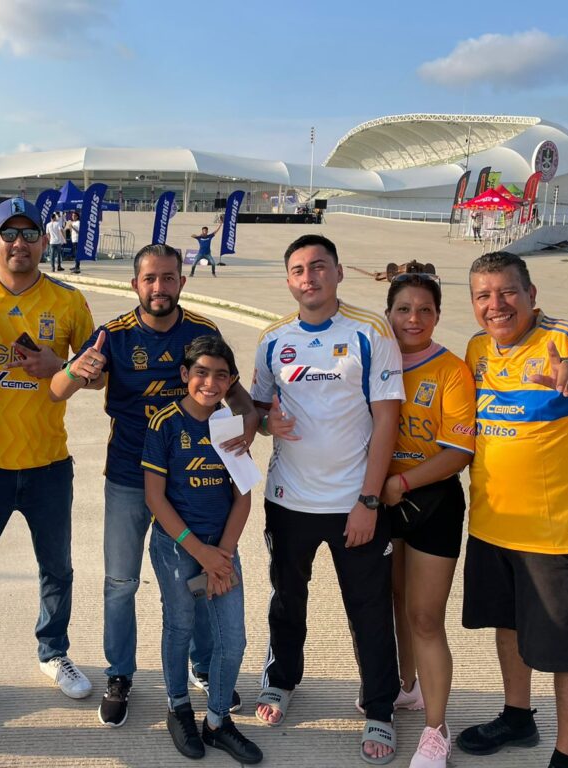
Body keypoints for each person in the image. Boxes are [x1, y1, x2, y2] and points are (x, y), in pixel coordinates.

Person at [50, 243, 257, 727]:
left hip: (191, 484)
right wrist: (74, 371)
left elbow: (240, 399)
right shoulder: (113, 336)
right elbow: (58, 390)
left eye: (168, 278)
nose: (159, 288)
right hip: (129, 477)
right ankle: (120, 673)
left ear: (182, 282)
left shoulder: (203, 331)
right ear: (135, 284)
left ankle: (203, 667)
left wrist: (247, 429)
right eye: (150, 279)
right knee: (120, 582)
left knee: (199, 581)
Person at [456, 252, 568, 768]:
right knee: (508, 626)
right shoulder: (477, 349)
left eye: (508, 291)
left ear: (532, 295)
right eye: (484, 295)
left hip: (555, 534)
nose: (497, 305)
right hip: (491, 525)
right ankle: (517, 717)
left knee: (566, 650)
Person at [0, 197, 95, 729]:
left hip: (50, 463)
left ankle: (53, 652)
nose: (20, 243)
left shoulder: (69, 301)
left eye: (30, 234)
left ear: (45, 242)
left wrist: (64, 366)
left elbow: (97, 372)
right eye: (10, 234)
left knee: (57, 569)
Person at [250, 234, 403, 764]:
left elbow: (387, 420)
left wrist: (368, 500)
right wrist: (265, 421)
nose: (308, 277)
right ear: (288, 279)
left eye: (319, 267)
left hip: (353, 504)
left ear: (338, 273)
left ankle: (379, 708)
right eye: (298, 269)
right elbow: (258, 410)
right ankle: (281, 680)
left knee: (368, 611)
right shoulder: (273, 339)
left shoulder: (369, 331)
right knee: (286, 600)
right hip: (288, 500)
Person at [143, 336, 263, 764]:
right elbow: (156, 498)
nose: (209, 383)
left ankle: (216, 722)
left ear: (230, 381)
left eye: (220, 375)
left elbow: (243, 495)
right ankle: (178, 707)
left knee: (233, 640)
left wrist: (222, 555)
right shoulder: (165, 423)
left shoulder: (229, 424)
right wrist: (200, 552)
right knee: (179, 626)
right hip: (175, 546)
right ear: (184, 375)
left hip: (222, 548)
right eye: (200, 372)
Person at [378, 273, 476, 768]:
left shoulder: (453, 371)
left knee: (425, 616)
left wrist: (405, 482)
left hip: (430, 503)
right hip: (381, 501)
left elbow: (459, 450)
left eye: (424, 310)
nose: (413, 319)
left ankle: (436, 730)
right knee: (396, 600)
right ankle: (406, 686)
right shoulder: (376, 360)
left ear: (437, 316)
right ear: (388, 311)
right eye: (403, 309)